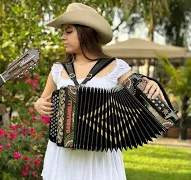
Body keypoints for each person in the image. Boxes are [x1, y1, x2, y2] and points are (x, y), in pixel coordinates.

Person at [34, 3, 165, 180]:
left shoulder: (115, 66)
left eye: (68, 31)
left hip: (99, 156)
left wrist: (152, 85)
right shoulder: (58, 69)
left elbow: (141, 89)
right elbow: (42, 100)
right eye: (62, 32)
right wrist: (39, 104)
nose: (63, 37)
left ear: (85, 32)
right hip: (63, 154)